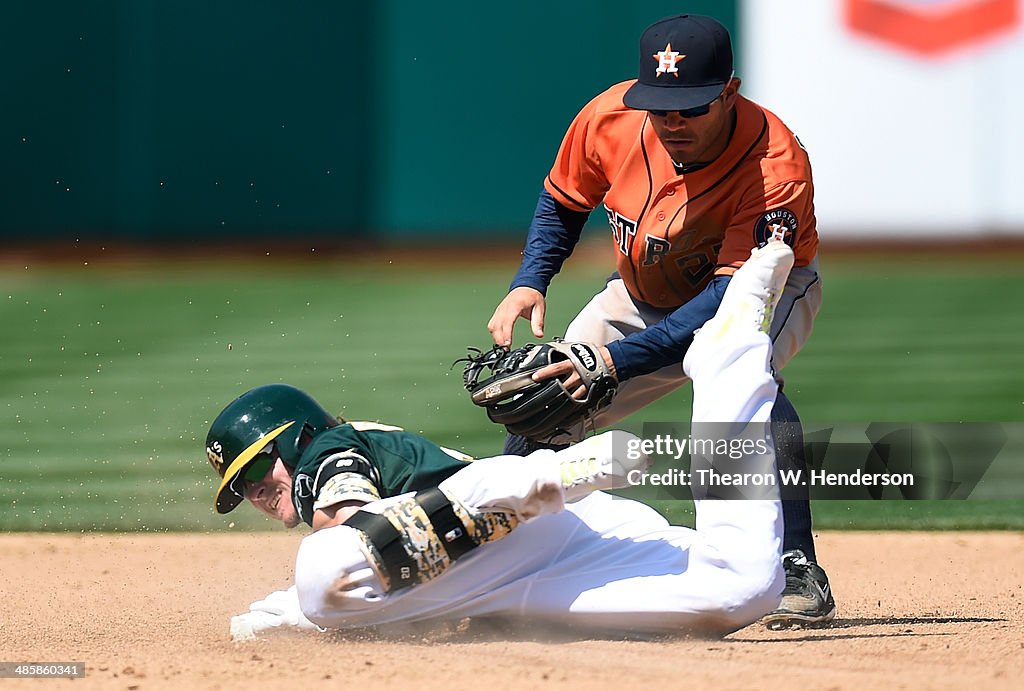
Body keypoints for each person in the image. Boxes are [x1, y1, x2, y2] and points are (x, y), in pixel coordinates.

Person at [211, 240, 799, 640]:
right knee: (742, 587)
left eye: (257, 471)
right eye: (242, 490)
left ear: (295, 440)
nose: (255, 492)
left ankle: (556, 471)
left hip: (515, 520)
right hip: (552, 552)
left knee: (321, 573)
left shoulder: (327, 450)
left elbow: (350, 529)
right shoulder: (328, 466)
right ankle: (731, 351)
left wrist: (311, 607)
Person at [485, 13, 832, 628]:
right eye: (661, 108)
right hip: (642, 287)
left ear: (730, 91)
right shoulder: (608, 117)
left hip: (756, 291)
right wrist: (528, 282)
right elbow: (564, 202)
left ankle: (797, 564)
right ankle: (498, 559)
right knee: (547, 402)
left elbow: (724, 307)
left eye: (691, 108)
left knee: (744, 375)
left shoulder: (773, 166)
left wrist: (613, 364)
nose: (673, 123)